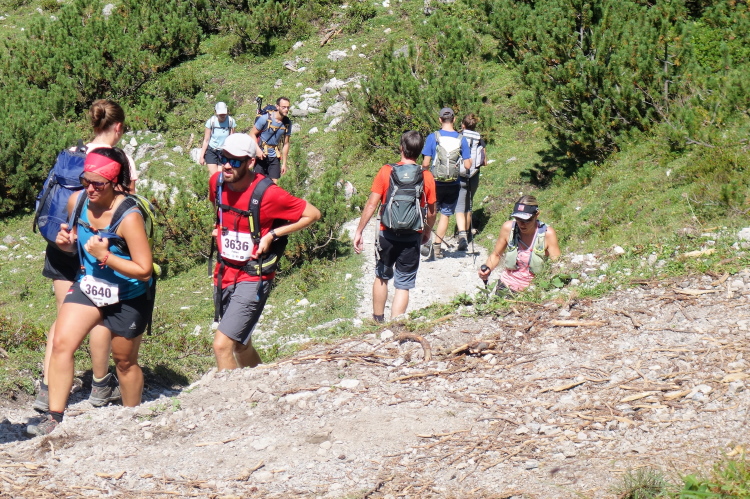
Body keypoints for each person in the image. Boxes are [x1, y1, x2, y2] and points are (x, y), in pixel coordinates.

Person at [27, 147, 155, 436]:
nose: (90, 188)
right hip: (90, 285)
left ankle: (132, 420)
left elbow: (144, 269)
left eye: (99, 183)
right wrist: (66, 244)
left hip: (129, 294)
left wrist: (105, 256)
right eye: (86, 180)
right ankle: (54, 418)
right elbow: (76, 242)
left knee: (124, 362)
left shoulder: (129, 216)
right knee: (62, 344)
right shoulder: (78, 201)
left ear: (114, 182)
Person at [34, 99, 136, 413]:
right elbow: (127, 206)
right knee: (101, 315)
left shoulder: (71, 154)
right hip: (94, 248)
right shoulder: (119, 160)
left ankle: (47, 389)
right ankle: (101, 384)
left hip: (61, 243)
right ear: (118, 127)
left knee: (63, 317)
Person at [209, 133, 320, 370]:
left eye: (235, 161)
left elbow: (312, 214)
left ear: (250, 162)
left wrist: (273, 235)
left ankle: (231, 393)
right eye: (223, 158)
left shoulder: (268, 193)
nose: (227, 165)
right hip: (224, 273)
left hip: (253, 276)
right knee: (241, 344)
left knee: (222, 345)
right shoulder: (216, 183)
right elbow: (219, 209)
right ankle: (261, 380)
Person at [353, 131, 437, 322]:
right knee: (403, 284)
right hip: (412, 235)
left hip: (387, 233)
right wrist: (426, 232)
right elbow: (432, 212)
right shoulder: (426, 176)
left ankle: (377, 321)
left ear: (401, 148)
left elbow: (372, 204)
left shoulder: (386, 171)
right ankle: (395, 326)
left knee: (382, 276)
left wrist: (359, 231)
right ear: (420, 151)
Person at [478, 195, 561, 293]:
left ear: (537, 214)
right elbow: (496, 255)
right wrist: (488, 268)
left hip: (532, 291)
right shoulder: (508, 228)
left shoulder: (547, 234)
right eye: (518, 219)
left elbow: (557, 266)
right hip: (506, 285)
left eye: (526, 220)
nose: (521, 224)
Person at [421, 107, 471, 258]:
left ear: (440, 120)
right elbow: (468, 165)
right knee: (446, 214)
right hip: (453, 183)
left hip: (435, 182)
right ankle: (437, 247)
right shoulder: (461, 139)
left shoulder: (433, 137)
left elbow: (426, 163)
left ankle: (426, 240)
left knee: (431, 212)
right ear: (454, 119)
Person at [456, 113, 486, 246]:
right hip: (474, 176)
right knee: (468, 205)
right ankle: (467, 236)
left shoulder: (458, 136)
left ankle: (461, 235)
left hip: (460, 175)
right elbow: (484, 161)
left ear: (463, 125)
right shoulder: (479, 139)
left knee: (459, 205)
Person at [250, 97, 292, 184]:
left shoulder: (287, 123)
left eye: (288, 107)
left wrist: (284, 163)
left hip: (274, 156)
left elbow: (286, 144)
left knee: (273, 185)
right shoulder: (265, 119)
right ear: (277, 107)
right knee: (258, 184)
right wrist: (257, 150)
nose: (286, 109)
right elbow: (252, 134)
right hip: (261, 155)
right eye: (284, 107)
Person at [199, 102, 237, 176]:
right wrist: (201, 156)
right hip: (211, 151)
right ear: (216, 112)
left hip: (224, 152)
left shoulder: (231, 121)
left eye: (224, 113)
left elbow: (232, 139)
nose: (223, 115)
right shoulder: (211, 122)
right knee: (214, 176)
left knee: (220, 176)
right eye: (220, 114)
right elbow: (206, 140)